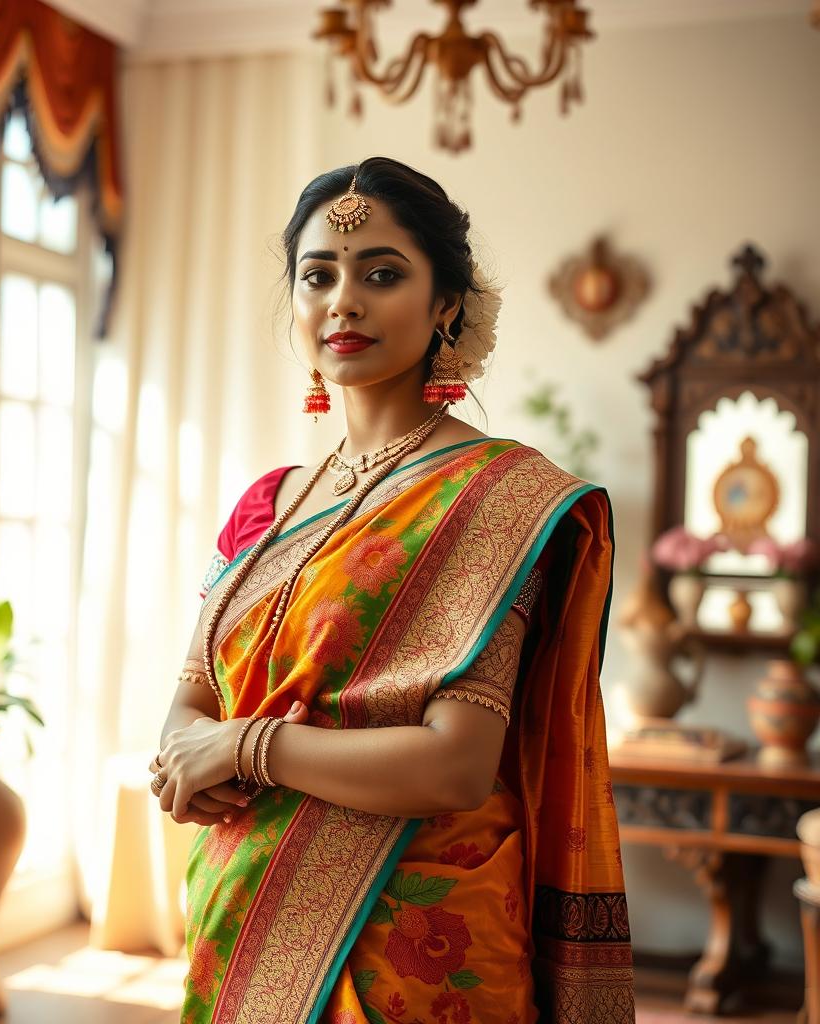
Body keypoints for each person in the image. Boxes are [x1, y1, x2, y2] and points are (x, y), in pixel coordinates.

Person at [152, 157, 633, 1024]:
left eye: (382, 273)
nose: (344, 300)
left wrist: (243, 750)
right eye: (318, 276)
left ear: (446, 304)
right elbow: (191, 704)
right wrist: (190, 758)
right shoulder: (270, 504)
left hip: (413, 954)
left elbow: (455, 765)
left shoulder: (495, 500)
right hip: (243, 925)